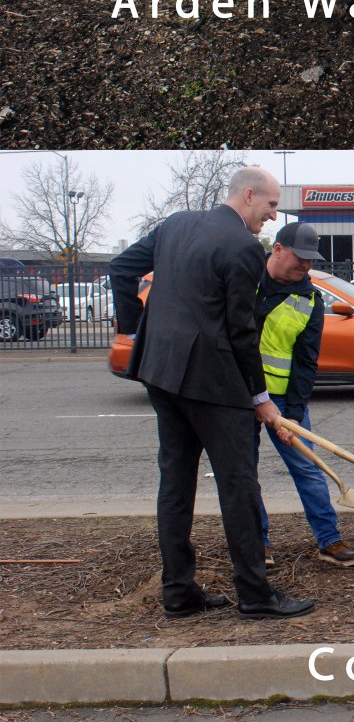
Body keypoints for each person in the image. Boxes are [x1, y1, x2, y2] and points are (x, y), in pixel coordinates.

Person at [109, 167, 315, 620]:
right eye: (271, 205)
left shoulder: (176, 223)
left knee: (176, 484)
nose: (272, 215)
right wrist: (260, 399)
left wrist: (133, 327)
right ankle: (256, 595)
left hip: (160, 374)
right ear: (247, 196)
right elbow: (241, 332)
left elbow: (120, 267)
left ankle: (178, 593)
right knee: (238, 485)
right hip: (215, 386)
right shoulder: (243, 247)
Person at [254, 221, 354, 569]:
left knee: (309, 467)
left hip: (284, 399)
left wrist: (294, 415)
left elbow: (305, 362)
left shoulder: (309, 299)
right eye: (300, 257)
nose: (305, 265)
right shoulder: (246, 281)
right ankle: (257, 544)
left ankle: (329, 540)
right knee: (243, 473)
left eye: (310, 260)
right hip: (240, 395)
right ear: (278, 249)